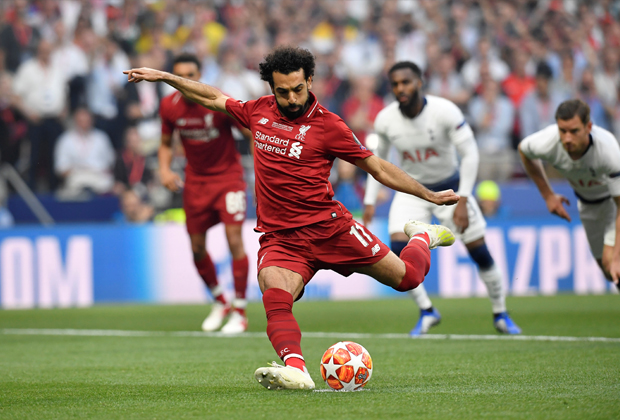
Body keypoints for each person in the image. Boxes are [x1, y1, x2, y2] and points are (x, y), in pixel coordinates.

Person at [124, 46, 459, 391]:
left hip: (331, 229)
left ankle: (422, 235)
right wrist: (165, 77)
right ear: (271, 88)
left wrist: (429, 195)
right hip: (282, 239)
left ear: (309, 80)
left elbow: (377, 168)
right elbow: (212, 97)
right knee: (274, 290)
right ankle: (296, 368)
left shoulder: (329, 125)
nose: (292, 98)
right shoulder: (257, 111)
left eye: (298, 89)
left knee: (409, 278)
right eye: (282, 91)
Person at [363, 61, 521, 337]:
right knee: (398, 251)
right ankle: (427, 311)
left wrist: (464, 199)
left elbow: (470, 154)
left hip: (451, 189)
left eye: (406, 82)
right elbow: (377, 163)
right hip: (412, 191)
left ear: (419, 82)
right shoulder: (385, 119)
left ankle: (501, 313)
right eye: (395, 84)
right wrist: (369, 201)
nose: (400, 88)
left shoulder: (445, 111)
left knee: (479, 251)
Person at [158, 53, 251, 334]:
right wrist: (164, 169)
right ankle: (220, 301)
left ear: (200, 76)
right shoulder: (169, 106)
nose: (185, 80)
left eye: (190, 75)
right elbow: (165, 142)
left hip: (229, 180)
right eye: (179, 76)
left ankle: (240, 311)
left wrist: (263, 169)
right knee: (197, 248)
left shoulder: (218, 100)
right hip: (196, 183)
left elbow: (251, 133)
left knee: (234, 240)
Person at [519, 99, 620, 289]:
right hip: (587, 205)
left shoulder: (608, 151)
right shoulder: (548, 142)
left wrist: (617, 257)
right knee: (608, 271)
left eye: (574, 131)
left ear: (588, 127)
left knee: (612, 264)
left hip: (614, 205)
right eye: (562, 131)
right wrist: (548, 195)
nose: (567, 138)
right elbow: (524, 151)